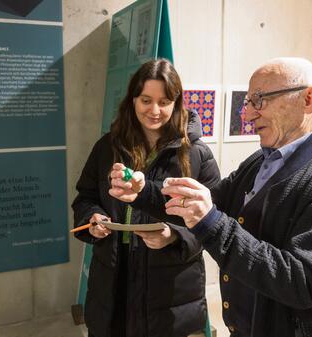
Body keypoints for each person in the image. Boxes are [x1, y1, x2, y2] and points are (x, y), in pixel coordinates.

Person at [109, 57, 312, 337]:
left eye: (260, 100)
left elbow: (303, 282)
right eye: (248, 103)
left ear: (308, 99)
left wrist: (212, 223)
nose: (248, 115)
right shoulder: (260, 161)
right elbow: (206, 202)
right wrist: (144, 192)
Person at [72, 58, 220, 337]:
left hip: (171, 282)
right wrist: (92, 217)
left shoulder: (197, 153)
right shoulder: (107, 147)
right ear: (132, 100)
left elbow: (216, 217)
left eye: (164, 102)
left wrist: (174, 235)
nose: (155, 110)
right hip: (113, 274)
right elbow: (86, 196)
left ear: (177, 103)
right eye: (145, 100)